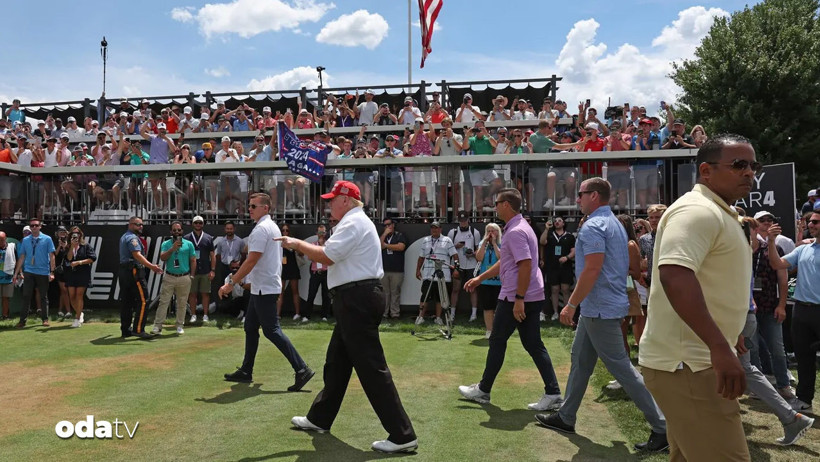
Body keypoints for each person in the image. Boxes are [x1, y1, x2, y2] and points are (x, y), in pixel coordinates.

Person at [639, 135, 761, 460]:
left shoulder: (720, 212)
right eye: (739, 165)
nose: (749, 172)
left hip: (694, 362)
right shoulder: (697, 211)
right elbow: (675, 275)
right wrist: (719, 346)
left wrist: (729, 335)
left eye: (753, 165)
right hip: (691, 364)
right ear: (706, 171)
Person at [280, 180, 417, 454]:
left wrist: (296, 243)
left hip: (357, 298)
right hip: (353, 298)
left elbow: (327, 256)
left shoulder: (353, 222)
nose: (329, 204)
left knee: (372, 368)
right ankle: (320, 418)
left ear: (346, 200)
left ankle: (403, 435)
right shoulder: (353, 222)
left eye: (332, 199)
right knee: (336, 363)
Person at [535, 178, 667, 453]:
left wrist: (571, 305)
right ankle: (566, 416)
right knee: (580, 360)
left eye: (581, 194)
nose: (577, 199)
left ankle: (662, 428)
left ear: (594, 196)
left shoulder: (594, 225)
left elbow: (592, 270)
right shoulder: (613, 223)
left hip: (599, 308)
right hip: (601, 307)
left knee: (622, 369)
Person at [459, 188, 563, 413]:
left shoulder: (516, 231)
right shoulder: (519, 227)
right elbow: (507, 261)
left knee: (498, 340)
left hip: (517, 296)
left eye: (497, 202)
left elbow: (525, 264)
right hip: (528, 294)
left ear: (506, 205)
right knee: (532, 344)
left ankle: (483, 390)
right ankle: (553, 393)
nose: (494, 206)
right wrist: (479, 278)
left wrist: (519, 299)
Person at [218, 193, 313, 390]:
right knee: (250, 326)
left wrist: (231, 283)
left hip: (264, 288)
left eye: (254, 206)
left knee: (272, 330)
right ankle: (246, 370)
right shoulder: (268, 226)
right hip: (262, 287)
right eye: (249, 205)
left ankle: (302, 369)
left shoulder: (262, 229)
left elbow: (251, 260)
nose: (250, 209)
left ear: (266, 208)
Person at [766, 210, 820, 412]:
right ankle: (804, 401)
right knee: (804, 358)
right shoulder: (803, 249)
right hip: (801, 310)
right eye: (810, 221)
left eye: (816, 222)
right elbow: (777, 263)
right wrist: (771, 242)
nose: (811, 225)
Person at [118, 216, 162, 338]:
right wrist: (152, 266)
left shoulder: (124, 236)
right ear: (130, 225)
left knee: (127, 302)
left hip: (124, 270)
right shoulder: (132, 238)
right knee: (143, 300)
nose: (141, 227)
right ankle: (138, 330)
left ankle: (126, 330)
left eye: (142, 224)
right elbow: (136, 254)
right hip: (133, 270)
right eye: (138, 224)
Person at [152, 221, 196, 335]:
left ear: (182, 231)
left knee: (182, 303)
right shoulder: (166, 244)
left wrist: (192, 275)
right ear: (171, 232)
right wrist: (172, 248)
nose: (177, 232)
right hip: (170, 276)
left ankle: (180, 325)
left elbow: (193, 260)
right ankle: (158, 326)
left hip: (184, 276)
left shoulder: (188, 244)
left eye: (179, 230)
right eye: (174, 230)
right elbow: (162, 257)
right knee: (163, 302)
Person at [13, 218, 56, 328]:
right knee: (26, 296)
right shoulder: (26, 240)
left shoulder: (47, 239)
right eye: (32, 226)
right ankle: (22, 321)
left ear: (40, 226)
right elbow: (22, 257)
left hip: (43, 272)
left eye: (36, 225)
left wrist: (52, 272)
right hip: (29, 271)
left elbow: (52, 256)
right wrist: (16, 273)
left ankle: (45, 319)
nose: (34, 227)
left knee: (43, 296)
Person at [415, 221, 457, 326]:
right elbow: (421, 257)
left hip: (442, 274)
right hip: (428, 274)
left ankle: (438, 318)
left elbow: (455, 255)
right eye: (432, 228)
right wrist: (418, 270)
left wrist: (456, 269)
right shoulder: (426, 240)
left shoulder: (447, 240)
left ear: (440, 229)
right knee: (424, 296)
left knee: (440, 297)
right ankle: (420, 317)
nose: (434, 230)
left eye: (436, 228)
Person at [539, 216, 575, 322]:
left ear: (563, 223)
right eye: (555, 221)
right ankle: (555, 312)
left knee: (565, 289)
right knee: (554, 290)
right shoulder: (550, 235)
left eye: (559, 221)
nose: (557, 222)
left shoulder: (569, 236)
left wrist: (567, 257)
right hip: (552, 266)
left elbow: (574, 251)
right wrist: (546, 228)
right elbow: (542, 242)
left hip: (565, 266)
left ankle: (566, 312)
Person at [448, 211, 481, 322]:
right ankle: (452, 314)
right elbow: (448, 249)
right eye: (461, 221)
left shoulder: (475, 232)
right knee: (455, 289)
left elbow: (478, 249)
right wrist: (456, 246)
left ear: (468, 220)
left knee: (473, 289)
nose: (463, 223)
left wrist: (472, 253)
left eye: (464, 221)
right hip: (457, 265)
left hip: (471, 265)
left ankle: (474, 314)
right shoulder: (452, 232)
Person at [62, 226, 96, 328]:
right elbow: (68, 259)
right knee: (72, 296)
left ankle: (77, 319)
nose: (75, 235)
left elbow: (92, 258)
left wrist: (79, 262)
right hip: (71, 274)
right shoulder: (68, 246)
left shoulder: (86, 246)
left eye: (77, 233)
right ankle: (79, 312)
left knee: (79, 295)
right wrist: (72, 246)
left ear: (80, 235)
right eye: (73, 234)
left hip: (83, 273)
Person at [185, 215, 216, 323]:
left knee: (205, 293)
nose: (198, 224)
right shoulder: (187, 238)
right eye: (196, 223)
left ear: (203, 224)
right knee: (192, 293)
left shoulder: (208, 238)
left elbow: (212, 255)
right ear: (192, 224)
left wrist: (213, 270)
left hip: (205, 270)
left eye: (200, 223)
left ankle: (205, 315)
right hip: (191, 271)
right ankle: (193, 315)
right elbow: (184, 255)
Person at [474, 223, 502, 339]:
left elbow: (501, 258)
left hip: (499, 281)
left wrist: (494, 244)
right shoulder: (482, 243)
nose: (491, 233)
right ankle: (489, 330)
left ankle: (498, 330)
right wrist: (485, 242)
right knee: (487, 307)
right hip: (485, 281)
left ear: (498, 232)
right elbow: (479, 258)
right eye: (488, 231)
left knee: (499, 308)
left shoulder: (502, 243)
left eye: (493, 230)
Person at [301, 225, 331, 323]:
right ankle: (307, 315)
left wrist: (322, 247)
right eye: (320, 232)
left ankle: (324, 315)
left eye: (323, 232)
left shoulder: (328, 245)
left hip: (326, 272)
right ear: (316, 233)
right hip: (315, 272)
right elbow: (310, 257)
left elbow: (328, 256)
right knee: (311, 293)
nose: (321, 235)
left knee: (326, 295)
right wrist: (319, 251)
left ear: (325, 233)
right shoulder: (313, 245)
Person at [380, 217, 407, 319]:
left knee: (395, 292)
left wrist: (386, 245)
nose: (387, 227)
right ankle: (384, 313)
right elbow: (378, 245)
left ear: (393, 225)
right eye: (385, 225)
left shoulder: (399, 235)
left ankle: (395, 313)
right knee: (384, 293)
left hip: (397, 270)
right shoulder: (383, 236)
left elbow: (401, 247)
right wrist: (384, 234)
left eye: (389, 224)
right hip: (384, 269)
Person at [277, 224, 303, 320]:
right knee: (280, 291)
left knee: (295, 291)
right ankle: (277, 314)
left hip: (292, 267)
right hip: (282, 268)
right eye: (283, 230)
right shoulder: (278, 242)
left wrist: (293, 247)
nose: (285, 232)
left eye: (287, 230)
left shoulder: (293, 241)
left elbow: (301, 253)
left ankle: (297, 313)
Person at [215, 221, 245, 293]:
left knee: (237, 286)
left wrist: (239, 263)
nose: (229, 230)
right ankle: (225, 299)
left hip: (236, 268)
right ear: (225, 229)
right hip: (224, 267)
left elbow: (243, 254)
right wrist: (224, 261)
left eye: (231, 229)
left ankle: (236, 299)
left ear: (234, 229)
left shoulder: (240, 241)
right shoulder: (221, 242)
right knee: (224, 286)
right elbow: (218, 255)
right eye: (227, 229)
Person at [0, 231, 16, 319]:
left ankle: (5, 316)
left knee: (6, 298)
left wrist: (19, 273)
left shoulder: (12, 247)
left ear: (5, 239)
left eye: (1, 240)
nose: (0, 241)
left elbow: (17, 260)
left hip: (8, 277)